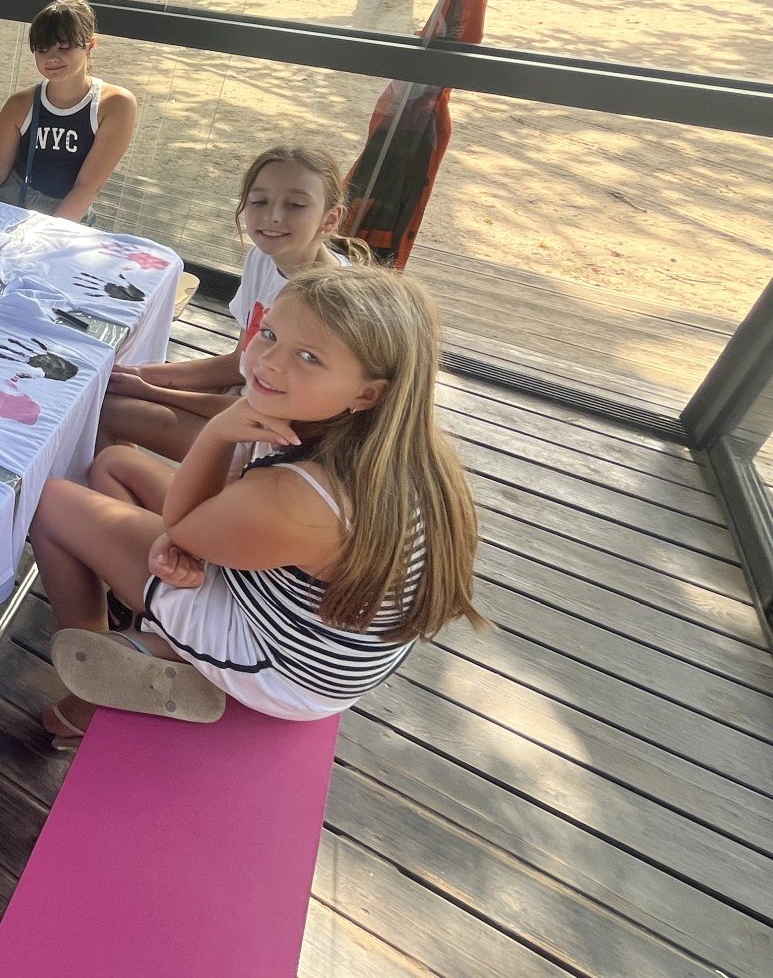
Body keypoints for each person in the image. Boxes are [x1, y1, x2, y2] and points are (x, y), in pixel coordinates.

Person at [31, 266, 483, 739]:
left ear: (367, 393)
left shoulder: (303, 497)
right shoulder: (381, 438)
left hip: (284, 667)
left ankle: (102, 667)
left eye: (308, 357)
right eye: (269, 334)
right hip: (310, 619)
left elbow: (186, 524)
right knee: (115, 465)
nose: (267, 362)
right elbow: (228, 495)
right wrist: (185, 539)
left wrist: (212, 446)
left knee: (48, 503)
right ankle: (151, 630)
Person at [95, 145, 360, 486]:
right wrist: (142, 374)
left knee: (103, 410)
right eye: (259, 201)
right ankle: (151, 490)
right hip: (242, 404)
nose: (273, 216)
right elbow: (239, 362)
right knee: (109, 390)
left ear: (331, 218)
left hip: (271, 444)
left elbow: (266, 410)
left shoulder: (331, 301)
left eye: (295, 205)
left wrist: (151, 389)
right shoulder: (262, 259)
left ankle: (184, 500)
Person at [0, 0, 136, 220]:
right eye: (42, 49)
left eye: (64, 47)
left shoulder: (115, 105)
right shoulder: (19, 104)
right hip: (7, 197)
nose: (52, 57)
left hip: (64, 209)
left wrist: (47, 234)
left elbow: (87, 187)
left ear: (90, 46)